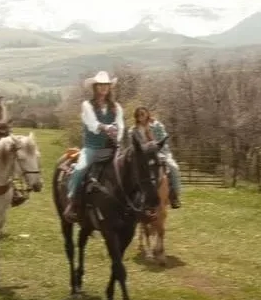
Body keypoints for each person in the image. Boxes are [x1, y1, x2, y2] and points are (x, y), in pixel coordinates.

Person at [63, 71, 125, 221]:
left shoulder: (116, 107)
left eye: (106, 85)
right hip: (93, 148)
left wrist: (117, 134)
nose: (103, 88)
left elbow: (121, 126)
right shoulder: (87, 105)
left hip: (111, 149)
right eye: (100, 85)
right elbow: (92, 125)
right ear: (95, 87)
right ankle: (71, 202)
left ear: (110, 87)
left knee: (127, 168)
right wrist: (106, 128)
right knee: (80, 168)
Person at [132, 106, 181, 209]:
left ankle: (174, 196)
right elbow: (134, 146)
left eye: (143, 114)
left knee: (173, 167)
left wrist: (151, 138)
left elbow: (164, 141)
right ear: (136, 117)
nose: (141, 116)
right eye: (139, 115)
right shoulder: (134, 130)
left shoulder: (157, 126)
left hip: (159, 151)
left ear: (147, 114)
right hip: (143, 155)